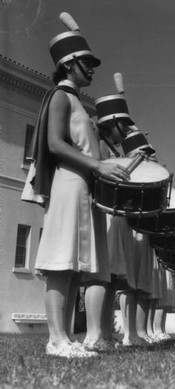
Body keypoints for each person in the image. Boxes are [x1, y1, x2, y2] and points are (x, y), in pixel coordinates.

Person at [23, 13, 129, 358]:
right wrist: (97, 165)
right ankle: (56, 339)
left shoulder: (77, 102)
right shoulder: (60, 97)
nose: (92, 70)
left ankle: (65, 338)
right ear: (69, 65)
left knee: (73, 267)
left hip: (85, 189)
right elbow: (55, 144)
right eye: (87, 63)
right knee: (59, 263)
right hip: (69, 185)